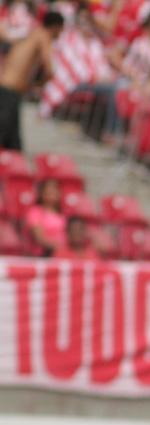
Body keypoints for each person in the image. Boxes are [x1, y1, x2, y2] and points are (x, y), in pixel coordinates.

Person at [0, 10, 63, 150]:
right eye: (61, 31)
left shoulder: (32, 33)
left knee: (13, 143)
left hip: (7, 87)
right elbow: (49, 69)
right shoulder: (44, 36)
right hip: (10, 90)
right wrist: (39, 85)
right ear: (56, 27)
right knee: (6, 136)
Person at [24, 179, 66, 256]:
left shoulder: (63, 214)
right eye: (49, 189)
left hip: (62, 255)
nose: (52, 192)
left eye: (55, 189)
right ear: (41, 193)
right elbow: (39, 238)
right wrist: (61, 247)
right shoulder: (35, 212)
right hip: (43, 255)